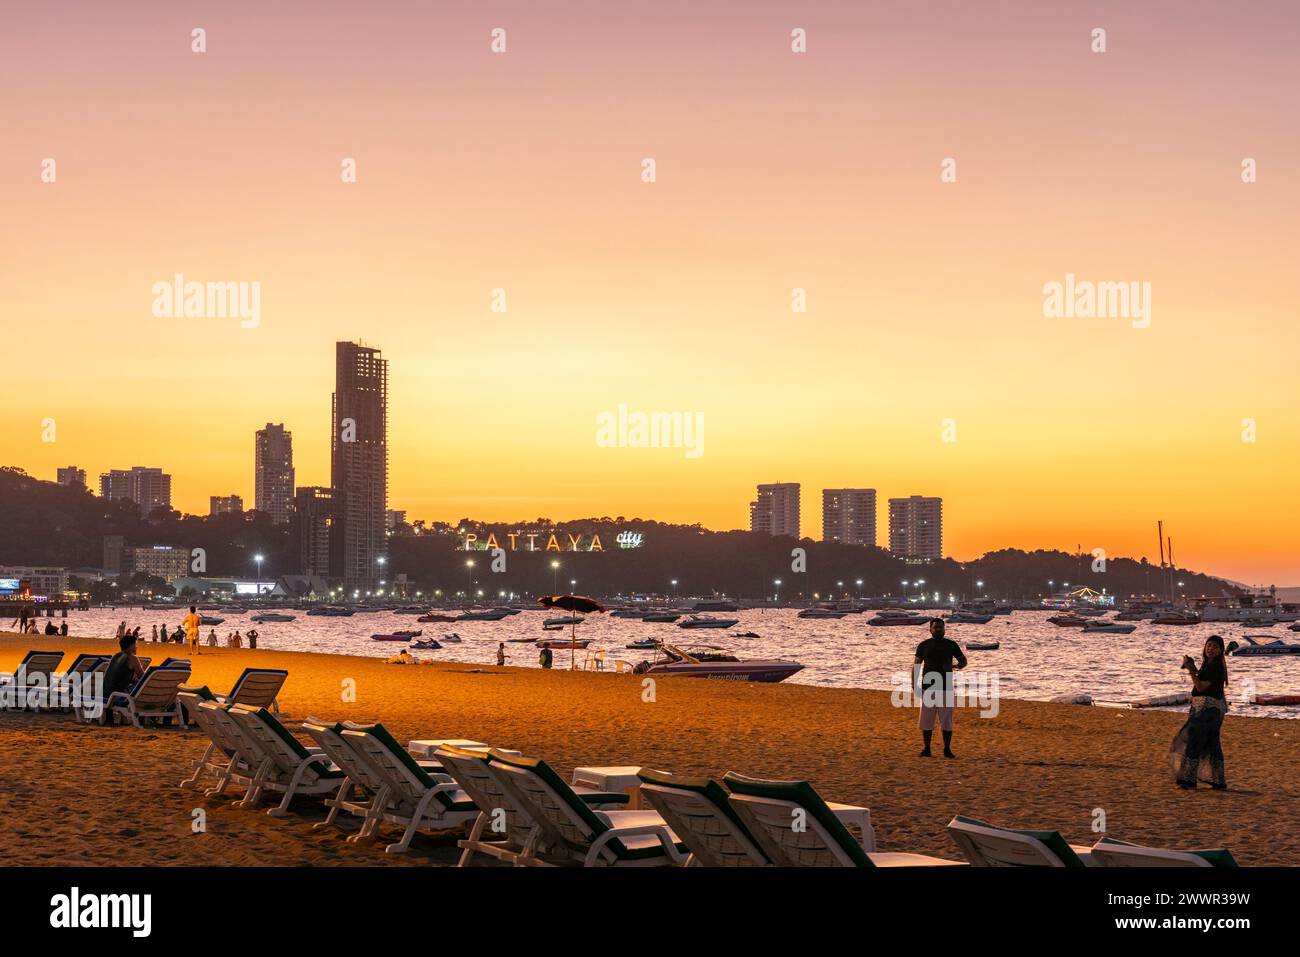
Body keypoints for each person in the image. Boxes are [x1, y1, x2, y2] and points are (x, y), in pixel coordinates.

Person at [1170, 635, 1233, 790]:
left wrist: (1191, 670)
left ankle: (1189, 780)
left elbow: (1200, 687)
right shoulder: (1211, 664)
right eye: (1209, 645)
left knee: (1193, 741)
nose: (1211, 649)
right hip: (1212, 710)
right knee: (1212, 744)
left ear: (1221, 650)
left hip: (1207, 711)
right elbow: (1207, 682)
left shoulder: (1214, 666)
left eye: (1215, 647)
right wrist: (1193, 667)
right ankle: (1218, 781)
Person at [913, 618, 967, 759]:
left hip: (946, 688)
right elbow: (916, 666)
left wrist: (954, 666)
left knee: (946, 721)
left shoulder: (951, 645)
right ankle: (927, 749)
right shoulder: (923, 645)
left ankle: (947, 749)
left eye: (941, 627)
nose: (938, 629)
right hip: (927, 688)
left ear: (944, 629)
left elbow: (964, 661)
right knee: (926, 720)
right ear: (930, 629)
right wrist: (914, 685)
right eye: (935, 627)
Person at [100, 633, 146, 725]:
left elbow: (119, 677)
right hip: (117, 694)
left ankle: (121, 718)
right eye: (135, 645)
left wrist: (133, 679)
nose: (137, 647)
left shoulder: (116, 656)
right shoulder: (132, 658)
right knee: (142, 690)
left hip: (106, 692)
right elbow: (143, 678)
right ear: (131, 645)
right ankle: (142, 719)